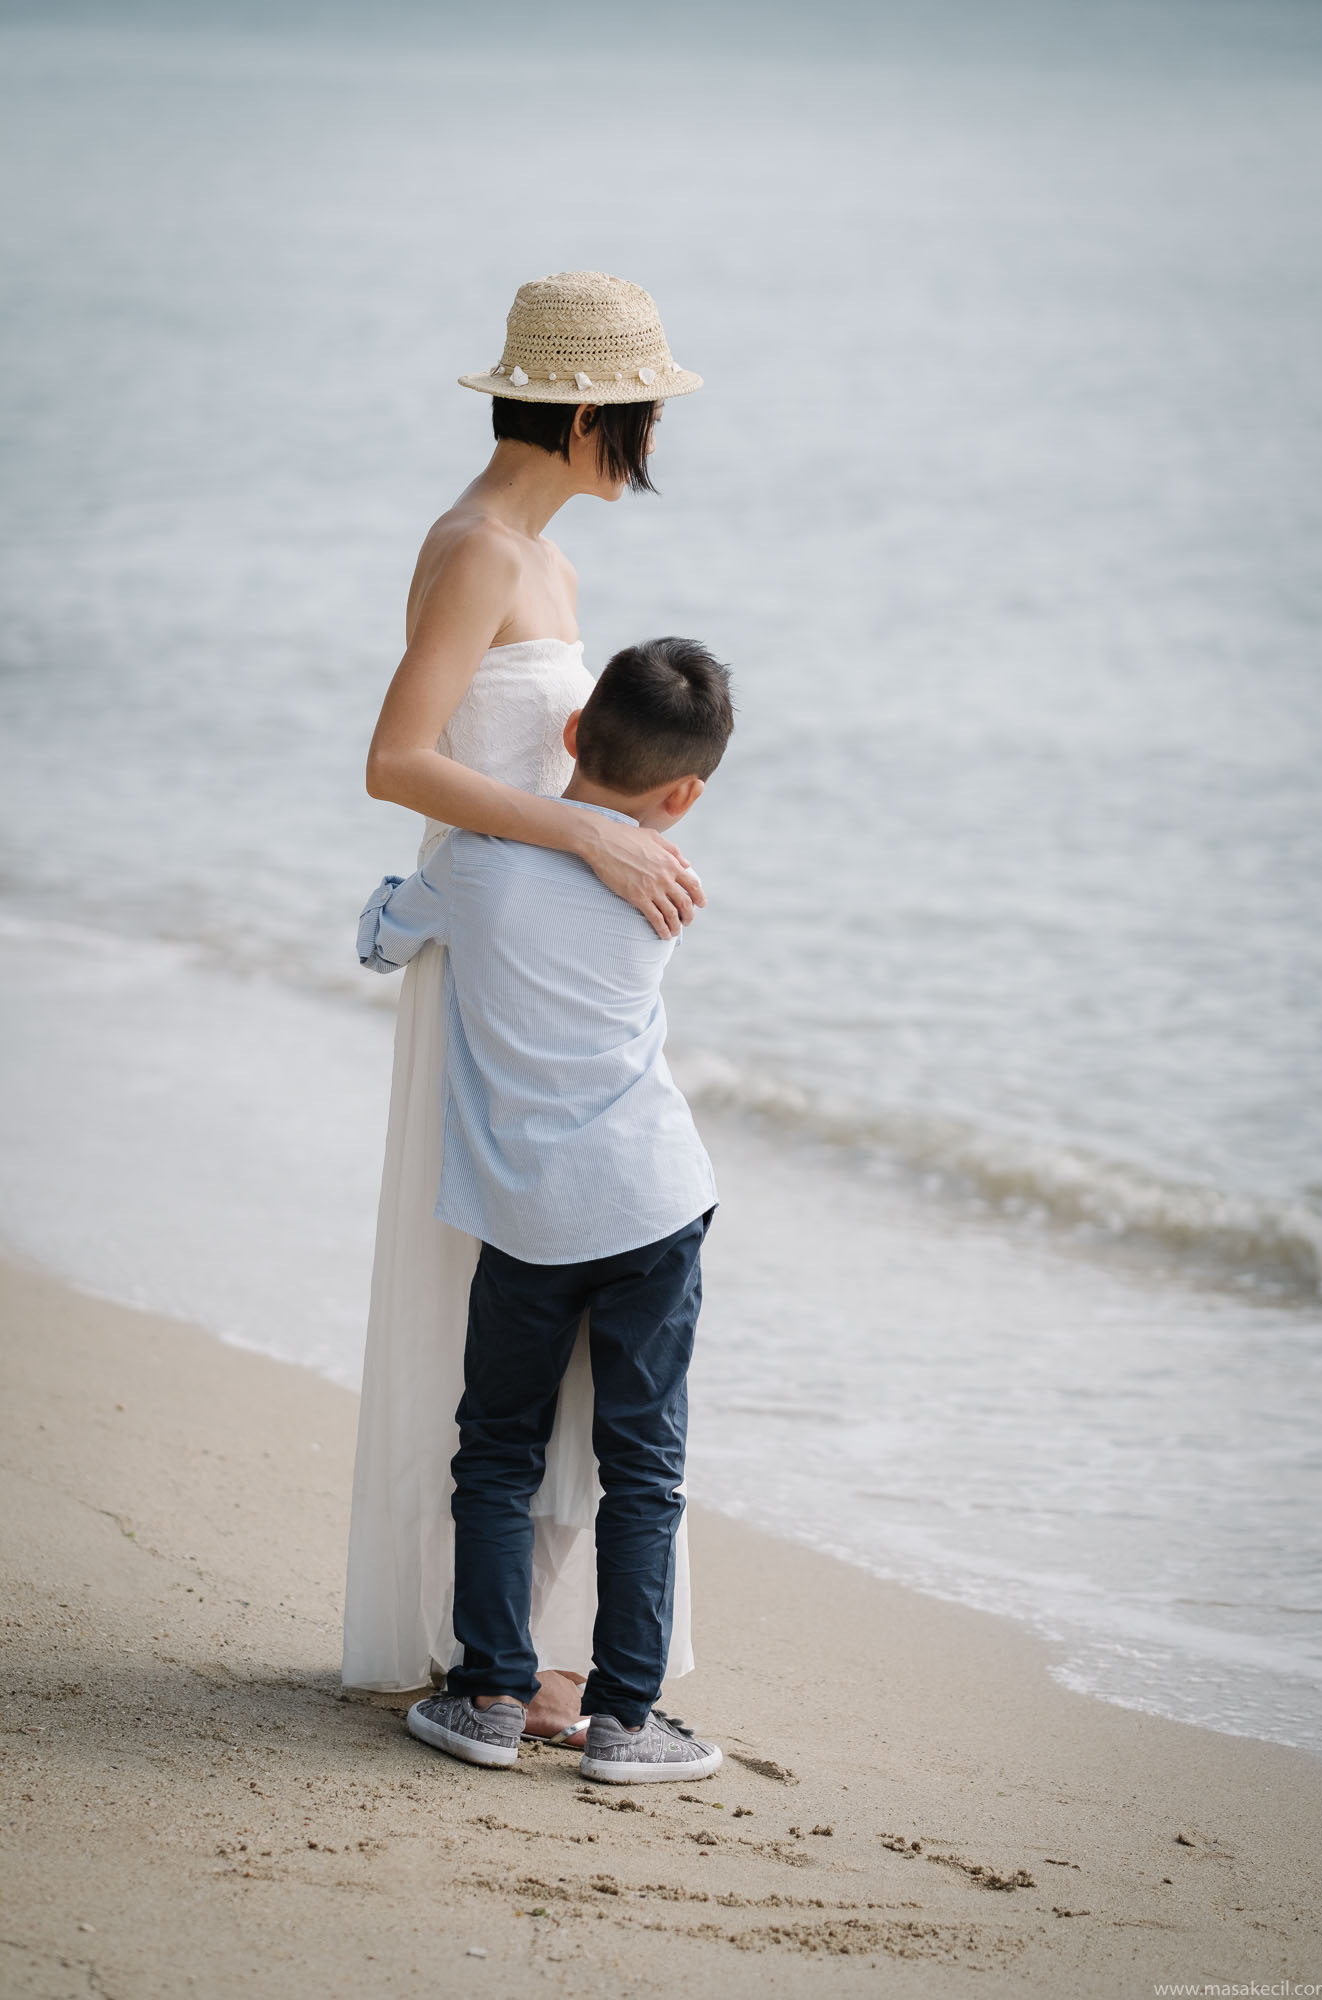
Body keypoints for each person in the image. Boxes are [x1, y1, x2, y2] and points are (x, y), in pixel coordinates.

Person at [344, 273, 706, 1744]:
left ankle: (517, 1651)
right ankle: (475, 1648)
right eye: (635, 419)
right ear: (578, 414)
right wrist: (590, 838)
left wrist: (607, 836)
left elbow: (548, 761)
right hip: (480, 973)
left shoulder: (536, 553)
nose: (647, 446)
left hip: (518, 951)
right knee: (489, 1316)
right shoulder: (479, 548)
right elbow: (397, 762)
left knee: (533, 1334)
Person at [356, 639, 732, 1782]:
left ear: (570, 733)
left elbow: (381, 936)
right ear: (684, 796)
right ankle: (624, 1718)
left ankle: (487, 1690)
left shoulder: (474, 866)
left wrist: (392, 906)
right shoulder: (667, 875)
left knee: (498, 1450)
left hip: (527, 1217)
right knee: (643, 1466)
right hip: (654, 1204)